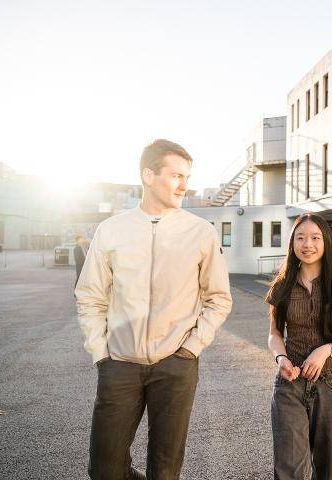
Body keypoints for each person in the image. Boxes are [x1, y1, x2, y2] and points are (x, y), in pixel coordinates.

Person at [75, 139, 233, 479]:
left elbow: (219, 297)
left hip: (176, 367)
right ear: (148, 175)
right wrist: (101, 352)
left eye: (186, 176)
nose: (183, 184)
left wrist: (191, 348)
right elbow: (90, 296)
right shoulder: (111, 230)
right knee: (104, 469)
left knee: (164, 470)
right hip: (119, 365)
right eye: (175, 175)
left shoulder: (200, 232)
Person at [265, 212, 332, 480]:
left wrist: (326, 350)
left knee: (328, 468)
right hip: (290, 383)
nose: (308, 244)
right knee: (289, 469)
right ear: (292, 243)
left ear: (326, 243)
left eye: (315, 238)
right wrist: (280, 358)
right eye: (301, 238)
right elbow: (274, 334)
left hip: (331, 384)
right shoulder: (281, 286)